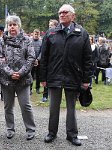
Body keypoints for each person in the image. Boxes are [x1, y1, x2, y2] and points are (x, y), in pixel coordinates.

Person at [40, 4, 92, 146]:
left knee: (71, 108)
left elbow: (88, 59)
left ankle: (72, 135)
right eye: (60, 13)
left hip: (73, 76)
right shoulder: (51, 33)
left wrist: (87, 80)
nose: (62, 15)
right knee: (53, 107)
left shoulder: (82, 33)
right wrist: (43, 78)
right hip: (54, 76)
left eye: (65, 12)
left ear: (73, 16)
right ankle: (52, 133)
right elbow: (43, 58)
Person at [0, 15, 36, 140]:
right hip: (7, 80)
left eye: (14, 24)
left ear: (19, 26)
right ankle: (10, 129)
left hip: (23, 79)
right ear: (7, 27)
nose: (12, 27)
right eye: (10, 25)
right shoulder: (2, 40)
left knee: (25, 105)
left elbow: (31, 58)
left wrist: (21, 72)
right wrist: (10, 73)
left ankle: (30, 129)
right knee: (8, 106)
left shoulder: (27, 40)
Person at [30, 29, 42, 95]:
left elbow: (42, 52)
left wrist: (38, 59)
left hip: (38, 61)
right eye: (35, 34)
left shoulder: (41, 42)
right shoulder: (30, 41)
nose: (36, 36)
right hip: (31, 61)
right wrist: (33, 59)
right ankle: (30, 89)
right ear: (33, 34)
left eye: (37, 34)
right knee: (31, 75)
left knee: (38, 76)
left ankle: (37, 88)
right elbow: (29, 51)